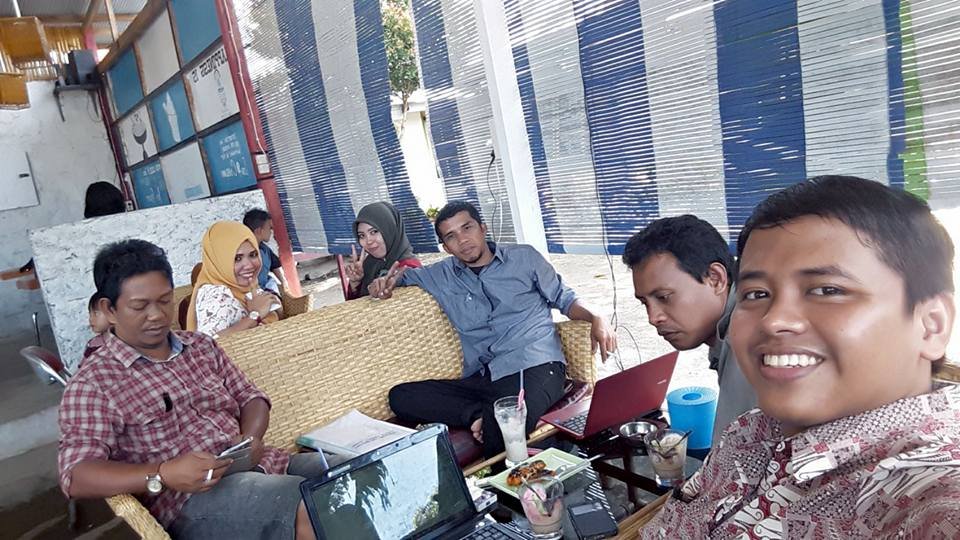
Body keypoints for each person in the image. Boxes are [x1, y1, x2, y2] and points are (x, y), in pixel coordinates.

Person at [641, 176, 960, 538]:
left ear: (931, 325)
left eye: (827, 290)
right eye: (756, 294)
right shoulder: (749, 431)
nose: (774, 320)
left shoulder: (930, 496)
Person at [58, 239, 327, 539]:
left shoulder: (200, 346)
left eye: (164, 301)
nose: (156, 315)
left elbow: (252, 398)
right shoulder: (94, 383)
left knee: (350, 474)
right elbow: (75, 474)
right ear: (109, 309)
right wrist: (162, 473)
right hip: (189, 501)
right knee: (311, 506)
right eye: (139, 306)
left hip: (264, 464)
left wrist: (251, 438)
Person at [370, 201, 617, 457]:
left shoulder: (524, 258)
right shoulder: (440, 274)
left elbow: (565, 299)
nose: (462, 240)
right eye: (451, 236)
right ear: (445, 247)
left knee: (505, 426)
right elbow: (396, 276)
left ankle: (503, 467)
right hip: (483, 377)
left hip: (534, 365)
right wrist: (379, 283)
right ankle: (479, 415)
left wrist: (596, 316)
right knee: (401, 396)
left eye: (467, 228)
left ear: (483, 228)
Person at [622, 215, 756, 446]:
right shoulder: (729, 329)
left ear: (715, 279)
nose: (653, 318)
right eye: (645, 303)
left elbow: (739, 457)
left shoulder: (745, 342)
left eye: (664, 297)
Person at [187, 221, 282, 337]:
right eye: (237, 259)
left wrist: (273, 305)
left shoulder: (245, 286)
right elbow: (209, 343)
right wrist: (255, 315)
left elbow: (273, 310)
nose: (249, 265)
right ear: (219, 262)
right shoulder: (216, 295)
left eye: (253, 255)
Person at [345, 201, 422, 300]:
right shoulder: (368, 265)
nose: (368, 241)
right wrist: (355, 283)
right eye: (362, 235)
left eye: (374, 231)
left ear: (390, 229)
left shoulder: (410, 268)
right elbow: (352, 306)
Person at [242, 209, 284, 295]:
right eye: (269, 228)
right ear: (259, 231)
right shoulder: (242, 253)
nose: (271, 232)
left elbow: (275, 266)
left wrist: (285, 284)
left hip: (263, 290)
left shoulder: (264, 249)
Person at [81, 292, 110, 364]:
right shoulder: (93, 345)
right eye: (90, 314)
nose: (90, 319)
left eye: (96, 313)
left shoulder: (129, 343)